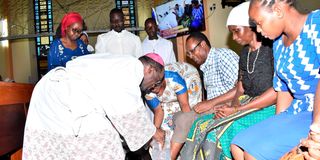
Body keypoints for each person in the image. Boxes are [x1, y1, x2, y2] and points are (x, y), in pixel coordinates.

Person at [22, 53, 165, 160]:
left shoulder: (122, 62)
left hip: (55, 94)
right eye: (157, 81)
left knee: (69, 149)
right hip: (63, 96)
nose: (153, 87)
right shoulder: (132, 67)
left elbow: (114, 107)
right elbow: (128, 110)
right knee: (106, 147)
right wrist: (152, 132)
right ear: (150, 69)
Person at [180, 2, 277, 159]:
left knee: (219, 132)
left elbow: (276, 92)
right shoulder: (245, 53)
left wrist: (236, 110)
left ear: (251, 26)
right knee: (201, 125)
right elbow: (240, 87)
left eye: (236, 31)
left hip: (266, 106)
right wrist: (231, 106)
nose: (234, 37)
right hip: (247, 102)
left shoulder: (271, 49)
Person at [230, 0, 320, 159]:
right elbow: (283, 88)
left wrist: (315, 130)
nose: (257, 30)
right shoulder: (278, 43)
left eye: (259, 23)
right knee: (237, 145)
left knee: (253, 154)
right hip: (295, 111)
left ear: (278, 10)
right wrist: (277, 124)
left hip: (313, 112)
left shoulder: (316, 25)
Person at [144, 61, 202, 160]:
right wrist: (156, 131)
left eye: (155, 88)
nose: (153, 91)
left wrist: (186, 132)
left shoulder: (174, 78)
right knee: (166, 127)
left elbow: (185, 106)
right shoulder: (147, 89)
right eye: (151, 89)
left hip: (187, 80)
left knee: (187, 117)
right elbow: (159, 111)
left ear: (160, 81)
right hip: (170, 90)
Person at [185, 32, 239, 105]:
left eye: (192, 51)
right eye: (188, 54)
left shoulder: (223, 56)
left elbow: (241, 88)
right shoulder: (205, 66)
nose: (191, 56)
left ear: (203, 44)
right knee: (180, 115)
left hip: (230, 105)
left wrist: (210, 103)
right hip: (216, 108)